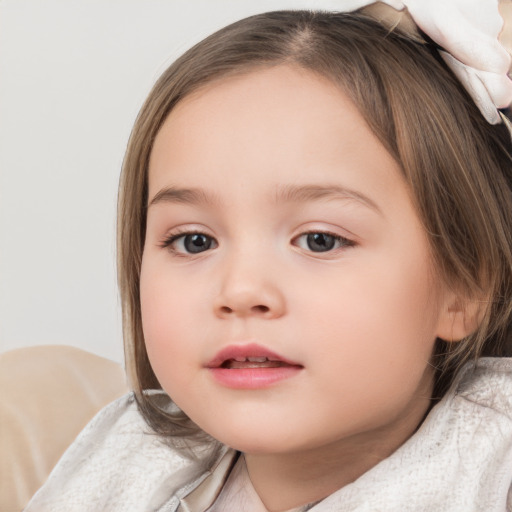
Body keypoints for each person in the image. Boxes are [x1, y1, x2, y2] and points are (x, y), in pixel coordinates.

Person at [24, 1, 512, 511]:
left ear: (464, 286)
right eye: (195, 241)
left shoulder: (491, 471)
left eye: (320, 240)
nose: (241, 290)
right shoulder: (124, 463)